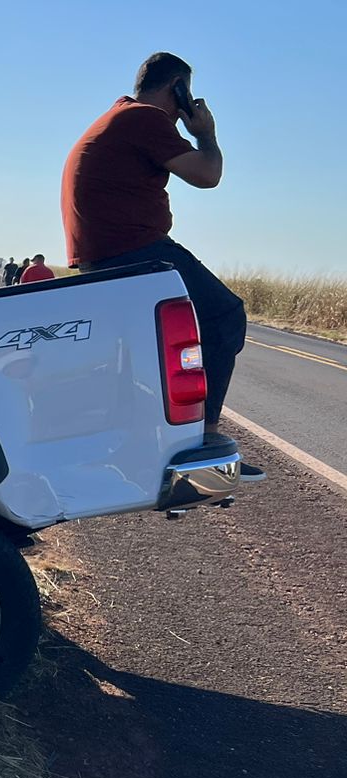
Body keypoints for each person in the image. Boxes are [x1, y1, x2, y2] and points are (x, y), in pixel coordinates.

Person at [60, 51, 262, 481]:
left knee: (151, 346)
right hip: (133, 249)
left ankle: (152, 437)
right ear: (178, 90)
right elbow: (208, 174)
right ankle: (203, 442)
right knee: (225, 316)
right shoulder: (145, 119)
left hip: (101, 255)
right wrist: (206, 133)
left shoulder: (117, 116)